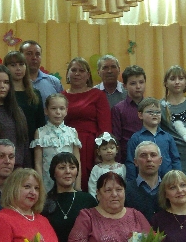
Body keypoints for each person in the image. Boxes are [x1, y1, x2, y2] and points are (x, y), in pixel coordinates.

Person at [62, 57, 113, 190]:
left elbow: (105, 126)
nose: (77, 73)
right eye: (73, 70)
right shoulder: (61, 96)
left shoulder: (98, 95)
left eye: (81, 70)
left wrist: (100, 151)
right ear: (68, 73)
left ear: (88, 75)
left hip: (90, 146)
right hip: (66, 144)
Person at [32, 93, 83, 193]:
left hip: (69, 182)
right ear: (46, 111)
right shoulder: (40, 132)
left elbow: (77, 161)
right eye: (53, 108)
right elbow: (38, 163)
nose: (58, 112)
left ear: (66, 111)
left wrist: (77, 186)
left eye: (61, 108)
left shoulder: (72, 132)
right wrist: (40, 187)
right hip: (48, 184)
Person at [4, 50, 46, 164]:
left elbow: (41, 124)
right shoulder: (3, 94)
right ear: (6, 68)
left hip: (31, 146)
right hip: (8, 146)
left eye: (21, 64)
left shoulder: (35, 94)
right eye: (13, 65)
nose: (18, 68)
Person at [126, 97, 181, 179]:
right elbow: (130, 162)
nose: (155, 114)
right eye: (150, 112)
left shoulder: (167, 137)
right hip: (143, 181)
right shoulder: (136, 138)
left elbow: (175, 160)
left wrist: (177, 178)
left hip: (167, 181)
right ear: (140, 115)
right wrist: (131, 182)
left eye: (158, 112)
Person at [111, 65, 147, 163]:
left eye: (141, 82)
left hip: (150, 156)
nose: (138, 86)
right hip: (128, 157)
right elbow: (116, 138)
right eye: (133, 83)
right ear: (125, 86)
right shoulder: (118, 109)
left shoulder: (152, 106)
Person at [125, 141, 164, 222]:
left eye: (153, 155)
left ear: (160, 160)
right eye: (143, 155)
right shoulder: (125, 190)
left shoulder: (169, 189)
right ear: (135, 162)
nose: (149, 159)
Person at [89, 132, 125, 198]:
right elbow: (92, 188)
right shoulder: (96, 169)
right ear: (98, 152)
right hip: (102, 200)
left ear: (117, 149)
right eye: (104, 149)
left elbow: (125, 186)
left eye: (112, 148)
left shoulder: (122, 168)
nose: (109, 151)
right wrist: (95, 200)